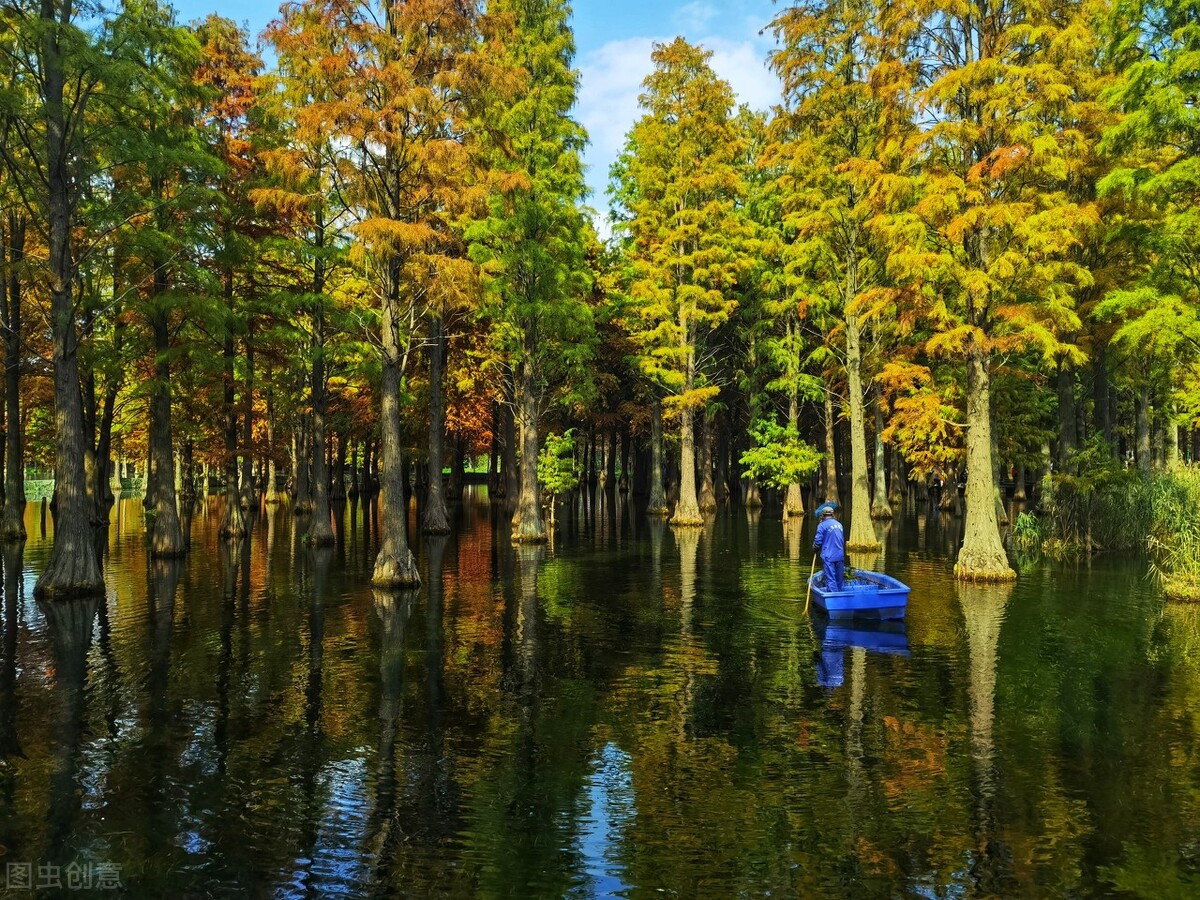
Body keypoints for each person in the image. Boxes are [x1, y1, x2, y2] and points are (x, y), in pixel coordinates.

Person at [813, 501, 846, 591]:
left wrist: (815, 547)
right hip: (840, 555)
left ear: (823, 515)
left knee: (831, 578)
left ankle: (833, 598)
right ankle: (840, 595)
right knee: (839, 578)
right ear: (832, 514)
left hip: (828, 556)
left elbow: (818, 541)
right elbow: (841, 539)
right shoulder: (839, 525)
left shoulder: (822, 525)